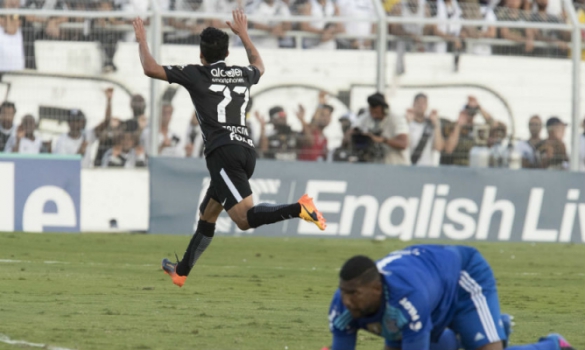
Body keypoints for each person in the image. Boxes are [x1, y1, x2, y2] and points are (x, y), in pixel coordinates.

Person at [133, 10, 326, 288]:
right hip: (245, 151)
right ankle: (181, 271)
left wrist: (142, 39)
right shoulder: (243, 73)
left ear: (202, 55)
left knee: (245, 219)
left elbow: (150, 68)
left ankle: (299, 208)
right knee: (208, 212)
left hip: (223, 153)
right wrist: (244, 34)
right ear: (227, 52)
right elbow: (259, 64)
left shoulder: (196, 73)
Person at [327, 245, 577, 350]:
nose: (346, 300)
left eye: (354, 294)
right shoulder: (341, 308)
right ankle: (478, 330)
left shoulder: (407, 300)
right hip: (431, 292)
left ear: (376, 290)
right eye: (343, 292)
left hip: (463, 278)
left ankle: (552, 346)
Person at [351, 92, 410, 165]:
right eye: (372, 110)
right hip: (377, 167)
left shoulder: (397, 119)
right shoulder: (367, 117)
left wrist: (382, 140)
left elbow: (403, 144)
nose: (374, 115)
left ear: (384, 109)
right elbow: (351, 132)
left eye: (376, 111)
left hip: (396, 166)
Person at [408, 93, 444, 166]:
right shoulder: (407, 123)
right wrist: (407, 123)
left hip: (427, 168)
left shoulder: (431, 125)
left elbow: (438, 147)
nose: (421, 106)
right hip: (409, 167)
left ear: (427, 106)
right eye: (418, 103)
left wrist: (436, 124)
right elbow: (405, 145)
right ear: (413, 104)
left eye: (424, 103)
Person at [298, 93, 333, 162]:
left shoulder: (325, 139)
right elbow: (313, 122)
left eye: (328, 115)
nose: (325, 118)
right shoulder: (311, 131)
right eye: (322, 115)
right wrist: (320, 104)